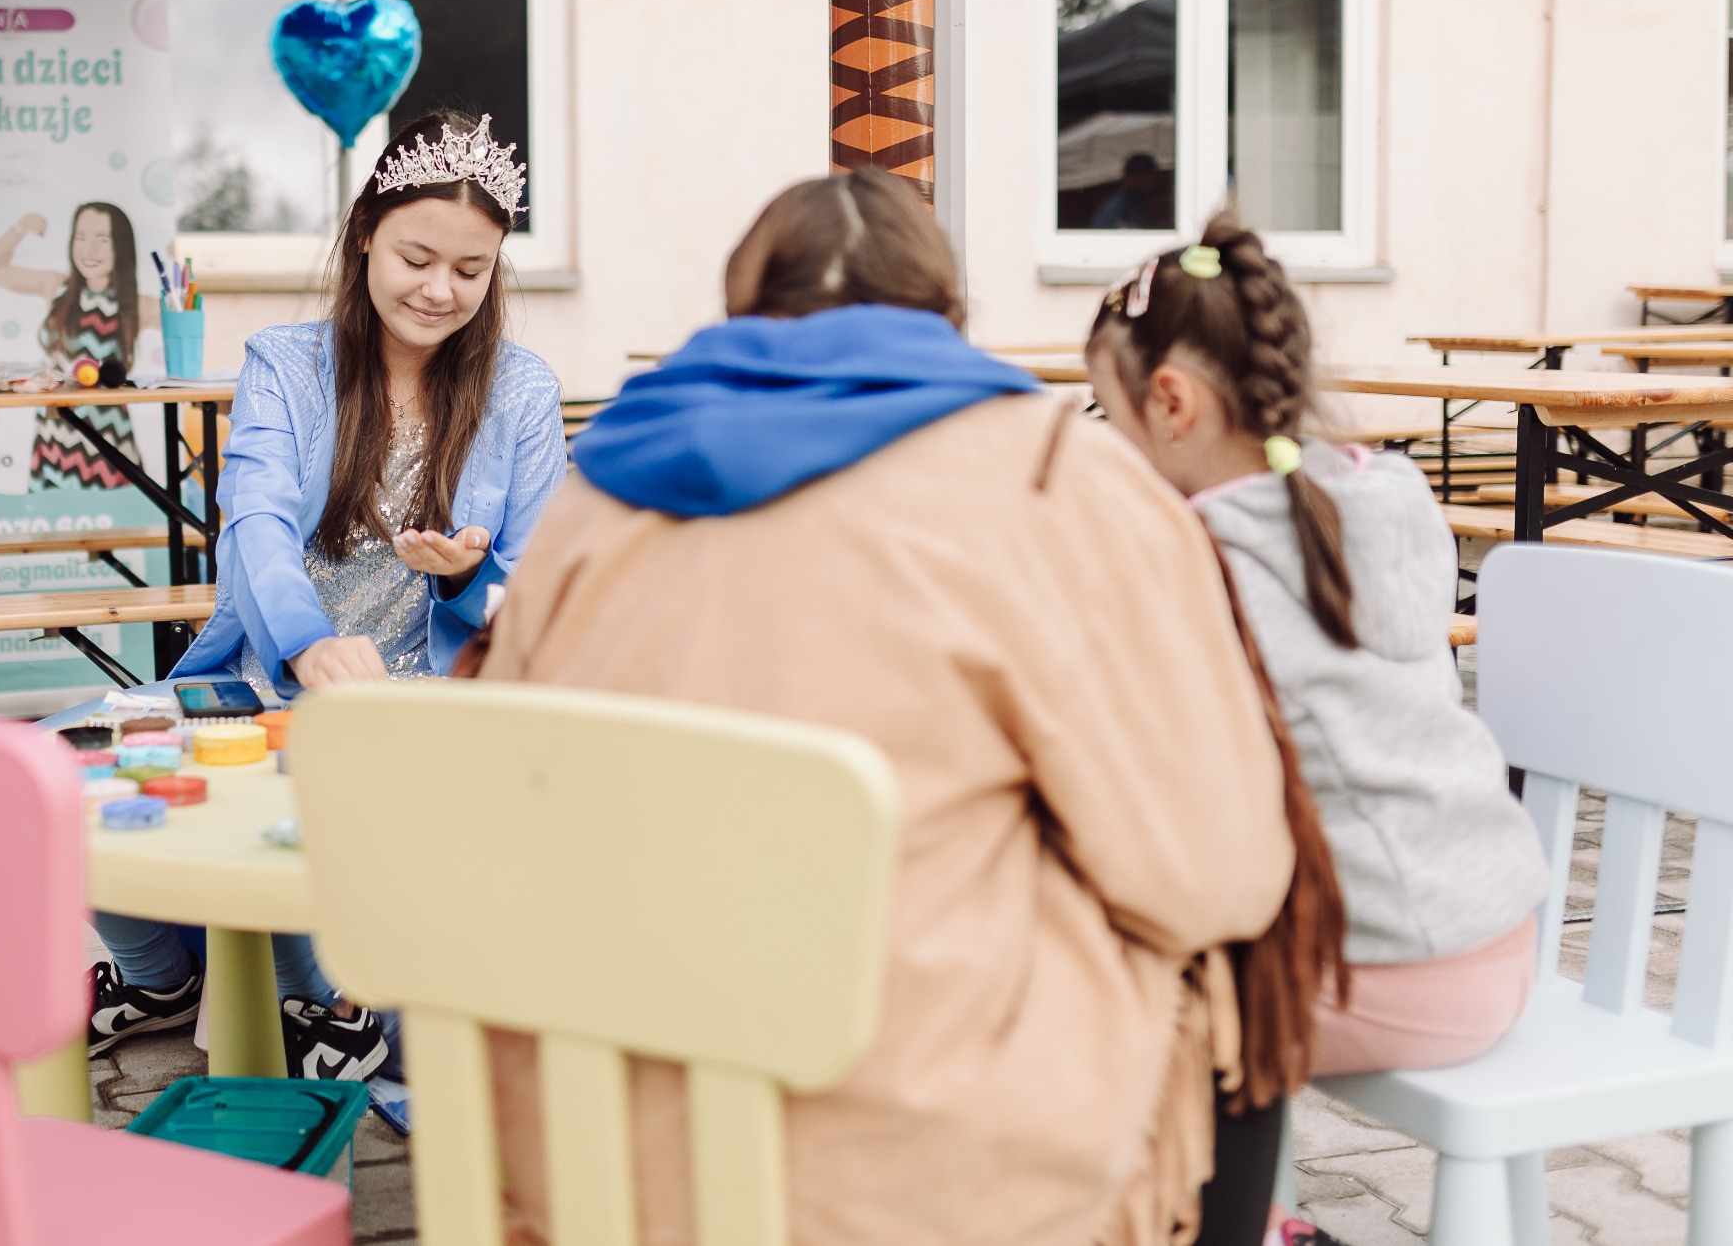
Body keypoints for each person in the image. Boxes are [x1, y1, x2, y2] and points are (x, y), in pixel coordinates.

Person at [475, 169, 1300, 1246]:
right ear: (947, 317)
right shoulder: (1060, 477)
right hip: (924, 1174)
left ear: (741, 313)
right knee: (1241, 992)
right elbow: (1205, 880)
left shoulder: (594, 496)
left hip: (599, 1156)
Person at [1083, 217, 1552, 1246]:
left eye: (1102, 418)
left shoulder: (1205, 555)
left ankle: (1226, 1227)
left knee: (1121, 1013)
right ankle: (1255, 1223)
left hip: (1386, 968)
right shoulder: (1363, 496)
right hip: (1498, 938)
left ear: (1170, 403)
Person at [87, 111, 568, 1081]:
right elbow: (254, 524)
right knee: (80, 787)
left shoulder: (520, 394)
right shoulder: (285, 366)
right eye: (416, 258)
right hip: (272, 682)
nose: (439, 290)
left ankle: (326, 1002)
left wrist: (469, 579)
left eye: (469, 272)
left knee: (312, 953)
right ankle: (163, 977)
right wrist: (307, 645)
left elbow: (531, 590)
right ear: (363, 235)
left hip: (431, 707)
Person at [0, 201, 160, 490]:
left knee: (118, 524)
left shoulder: (138, 304)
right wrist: (22, 228)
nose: (89, 250)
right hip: (55, 429)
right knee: (52, 521)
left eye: (103, 240)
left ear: (121, 247)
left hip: (110, 434)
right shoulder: (56, 287)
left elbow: (188, 325)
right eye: (81, 237)